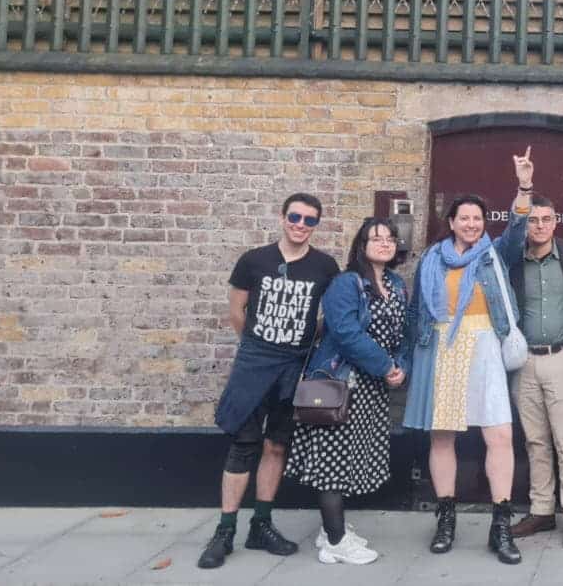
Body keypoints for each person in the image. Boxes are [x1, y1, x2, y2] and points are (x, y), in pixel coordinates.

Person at [402, 149, 534, 563]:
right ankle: (446, 518)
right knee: (442, 437)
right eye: (465, 218)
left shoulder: (494, 253)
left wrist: (524, 186)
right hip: (441, 350)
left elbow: (517, 229)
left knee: (499, 436)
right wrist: (407, 360)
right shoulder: (431, 260)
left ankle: (501, 525)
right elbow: (415, 313)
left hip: (485, 348)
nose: (472, 224)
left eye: (478, 218)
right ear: (452, 222)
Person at [199, 193, 340, 570]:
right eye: (295, 216)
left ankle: (261, 524)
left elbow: (333, 313)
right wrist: (259, 347)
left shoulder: (325, 266)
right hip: (254, 363)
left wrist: (307, 340)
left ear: (316, 225)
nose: (300, 224)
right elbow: (237, 311)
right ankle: (225, 530)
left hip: (294, 366)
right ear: (282, 217)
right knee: (243, 444)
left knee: (277, 445)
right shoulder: (254, 260)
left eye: (309, 220)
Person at [283, 217, 412, 565]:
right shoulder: (346, 283)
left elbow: (404, 334)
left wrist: (400, 365)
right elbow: (345, 333)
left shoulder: (396, 284)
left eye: (390, 238)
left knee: (351, 458)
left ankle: (330, 530)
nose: (384, 243)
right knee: (333, 463)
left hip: (372, 387)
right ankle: (335, 542)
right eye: (376, 238)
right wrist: (386, 366)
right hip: (340, 384)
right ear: (361, 245)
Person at [502, 195, 563, 549]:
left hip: (561, 359)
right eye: (533, 220)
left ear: (556, 222)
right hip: (523, 362)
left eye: (546, 219)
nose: (539, 225)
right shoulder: (513, 260)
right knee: (535, 440)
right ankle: (541, 510)